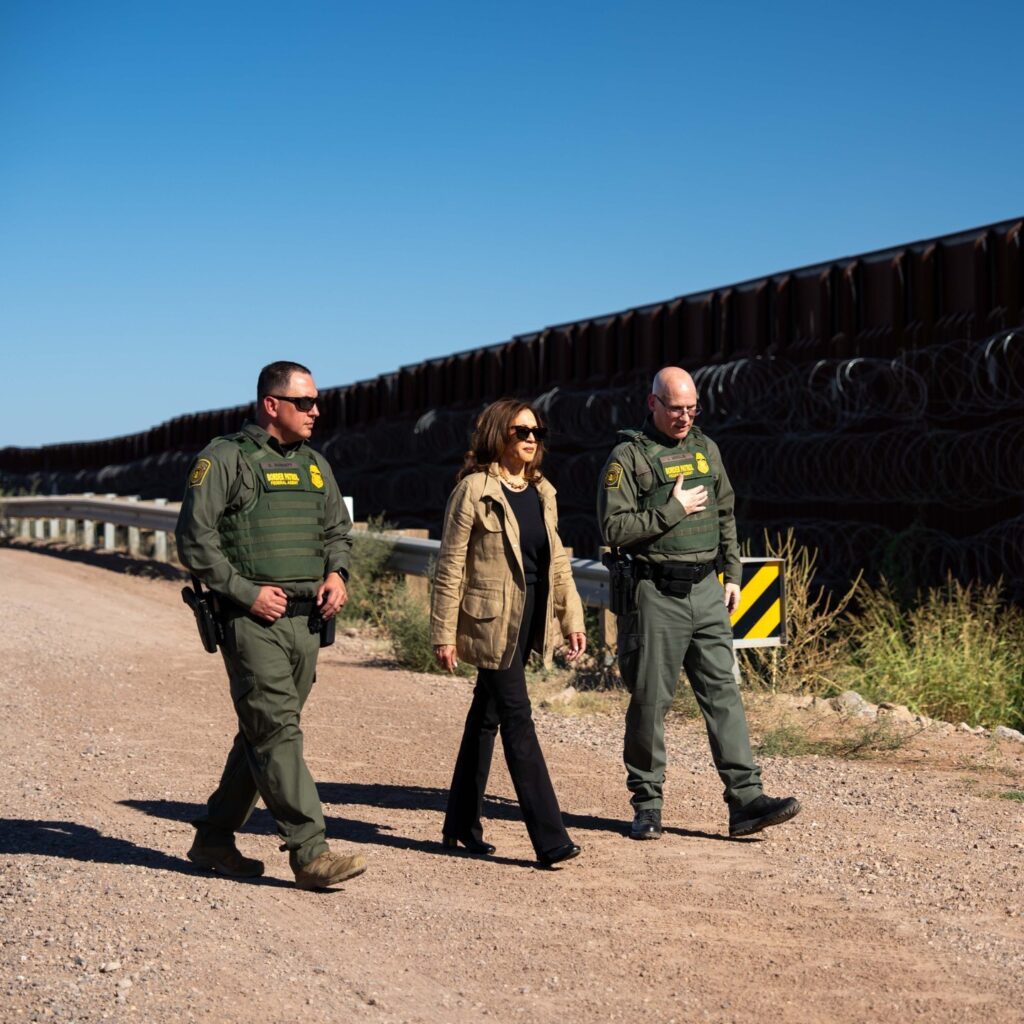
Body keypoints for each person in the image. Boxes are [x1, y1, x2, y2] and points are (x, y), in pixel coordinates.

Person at [175, 360, 367, 890]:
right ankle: (310, 851)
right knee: (278, 729)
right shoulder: (226, 459)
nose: (315, 411)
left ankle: (213, 837)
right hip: (249, 619)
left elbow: (338, 531)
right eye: (304, 403)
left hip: (307, 622)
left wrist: (337, 573)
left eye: (315, 402)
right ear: (271, 404)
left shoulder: (314, 465)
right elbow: (195, 539)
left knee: (263, 732)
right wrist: (245, 592)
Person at [597, 367, 800, 840]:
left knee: (724, 695)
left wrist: (733, 573)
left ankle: (746, 802)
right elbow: (613, 530)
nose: (685, 417)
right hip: (655, 593)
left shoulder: (707, 450)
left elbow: (726, 512)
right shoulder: (626, 458)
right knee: (651, 701)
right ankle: (647, 805)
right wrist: (674, 509)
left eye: (692, 409)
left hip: (708, 590)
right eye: (675, 409)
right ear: (653, 404)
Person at [430, 399, 587, 867]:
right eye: (522, 431)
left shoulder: (543, 491)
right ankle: (550, 836)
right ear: (500, 435)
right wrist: (443, 632)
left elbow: (557, 561)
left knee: (486, 716)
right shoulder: (474, 491)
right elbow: (450, 564)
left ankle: (460, 824)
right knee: (518, 718)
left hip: (532, 618)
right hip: (491, 620)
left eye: (538, 431)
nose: (532, 439)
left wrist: (571, 618)